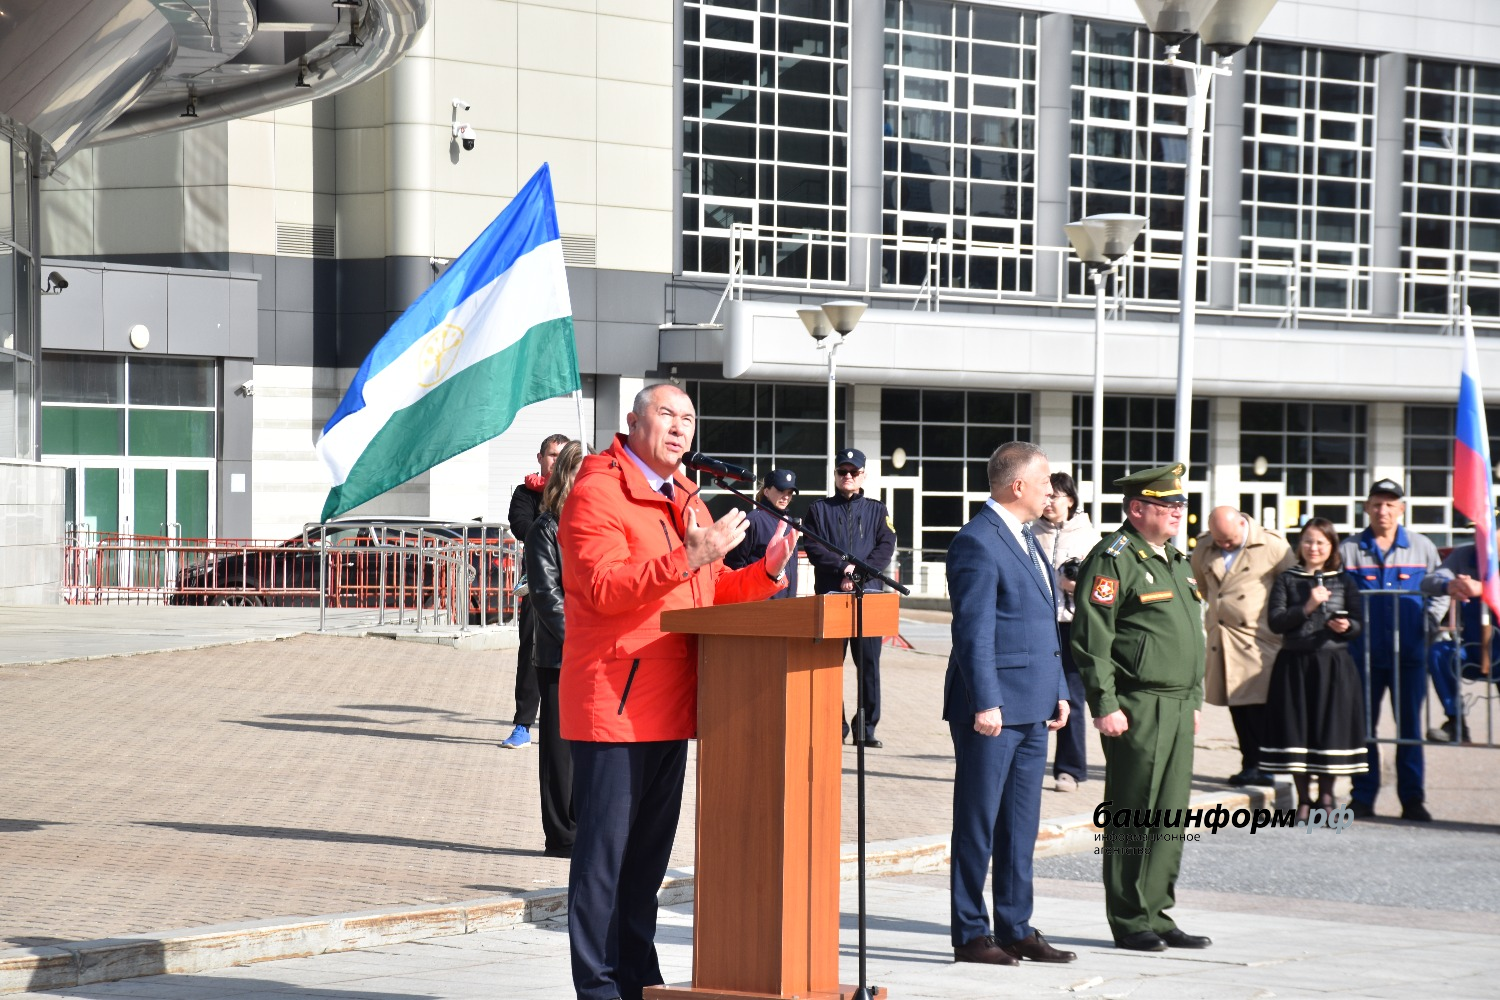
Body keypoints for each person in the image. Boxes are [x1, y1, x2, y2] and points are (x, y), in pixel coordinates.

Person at [558, 383, 796, 1000]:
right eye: (667, 414)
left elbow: (707, 595)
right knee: (604, 865)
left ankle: (638, 976)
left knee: (646, 868)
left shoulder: (686, 495)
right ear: (633, 422)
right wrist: (688, 559)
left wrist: (764, 572)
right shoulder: (597, 490)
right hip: (615, 704)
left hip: (676, 703)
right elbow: (604, 589)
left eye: (689, 419)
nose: (680, 428)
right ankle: (600, 986)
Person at [943, 442, 1075, 966]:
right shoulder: (978, 541)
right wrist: (986, 703)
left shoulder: (1027, 538)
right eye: (1044, 480)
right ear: (1017, 486)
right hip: (992, 711)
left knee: (1020, 825)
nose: (1052, 488)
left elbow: (1042, 623)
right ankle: (971, 932)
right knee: (978, 822)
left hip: (1034, 705)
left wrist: (1059, 690)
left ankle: (1016, 925)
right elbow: (973, 632)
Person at [1071, 463, 1211, 953]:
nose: (1178, 512)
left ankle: (1158, 911)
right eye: (1167, 505)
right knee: (1135, 810)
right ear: (1136, 509)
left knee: (1170, 813)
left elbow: (1190, 635)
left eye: (1180, 505)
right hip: (1137, 704)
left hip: (1176, 703)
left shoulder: (1175, 558)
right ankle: (1130, 919)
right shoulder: (1114, 558)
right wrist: (1104, 702)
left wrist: (1193, 697)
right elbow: (1092, 638)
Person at [1340, 478, 1446, 822]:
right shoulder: (1349, 549)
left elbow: (1439, 587)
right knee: (1363, 728)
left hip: (1409, 656)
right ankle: (1363, 797)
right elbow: (1338, 593)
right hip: (1362, 655)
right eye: (1377, 504)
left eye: (1390, 504)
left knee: (1410, 731)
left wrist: (1428, 622)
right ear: (1367, 507)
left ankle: (1412, 800)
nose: (1383, 510)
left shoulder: (1422, 547)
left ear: (1401, 508)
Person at [1262, 517, 1368, 823]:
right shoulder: (1287, 579)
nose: (1314, 547)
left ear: (1332, 546)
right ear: (1300, 544)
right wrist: (1308, 606)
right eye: (1308, 541)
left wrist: (1346, 626)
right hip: (1295, 662)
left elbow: (1359, 624)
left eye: (1321, 542)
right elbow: (1276, 621)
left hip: (1333, 663)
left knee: (1328, 730)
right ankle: (1303, 798)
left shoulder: (1344, 580)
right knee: (1298, 729)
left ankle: (1326, 795)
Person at [1190, 507, 1294, 788]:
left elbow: (1291, 586)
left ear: (1242, 522)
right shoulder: (1204, 546)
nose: (1224, 545)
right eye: (1219, 540)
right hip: (1223, 640)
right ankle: (1251, 764)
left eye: (1230, 539)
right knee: (1238, 707)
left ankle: (1263, 766)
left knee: (1260, 707)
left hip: (1259, 640)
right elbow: (1201, 586)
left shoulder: (1271, 545)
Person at [804, 447, 898, 748]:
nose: (847, 476)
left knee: (868, 665)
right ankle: (835, 726)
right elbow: (814, 547)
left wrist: (859, 572)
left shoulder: (877, 510)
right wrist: (843, 567)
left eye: (853, 472)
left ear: (863, 476)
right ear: (835, 475)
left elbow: (886, 545)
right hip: (831, 595)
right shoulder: (818, 510)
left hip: (868, 595)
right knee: (829, 665)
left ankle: (865, 728)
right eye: (842, 472)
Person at [523, 439, 584, 858]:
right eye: (583, 472)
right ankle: (562, 836)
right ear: (566, 476)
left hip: (598, 654)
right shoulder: (546, 529)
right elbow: (547, 597)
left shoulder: (599, 525)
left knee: (592, 751)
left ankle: (589, 827)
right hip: (562, 655)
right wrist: (583, 641)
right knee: (560, 752)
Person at [501, 432, 571, 750]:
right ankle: (522, 724)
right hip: (538, 583)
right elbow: (521, 526)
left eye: (562, 456)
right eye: (551, 455)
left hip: (576, 583)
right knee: (530, 651)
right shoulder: (525, 494)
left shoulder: (581, 493)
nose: (555, 461)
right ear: (540, 458)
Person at [1030, 470, 1099, 793]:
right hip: (1039, 625)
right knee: (1036, 695)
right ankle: (1029, 763)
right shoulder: (1030, 532)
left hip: (1073, 627)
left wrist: (1075, 586)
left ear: (1070, 499)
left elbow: (1105, 586)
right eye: (1045, 496)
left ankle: (1069, 770)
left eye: (1055, 496)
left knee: (1072, 696)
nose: (1049, 503)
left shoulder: (1089, 536)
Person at [1421, 538, 1490, 744]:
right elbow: (1428, 581)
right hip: (1474, 647)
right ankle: (1455, 722)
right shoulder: (1465, 554)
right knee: (1439, 653)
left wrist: (1485, 589)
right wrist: (1449, 585)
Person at [724, 468, 800, 599]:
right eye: (781, 491)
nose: (786, 496)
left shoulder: (791, 523)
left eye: (790, 492)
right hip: (758, 604)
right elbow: (734, 565)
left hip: (788, 603)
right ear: (766, 491)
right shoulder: (752, 521)